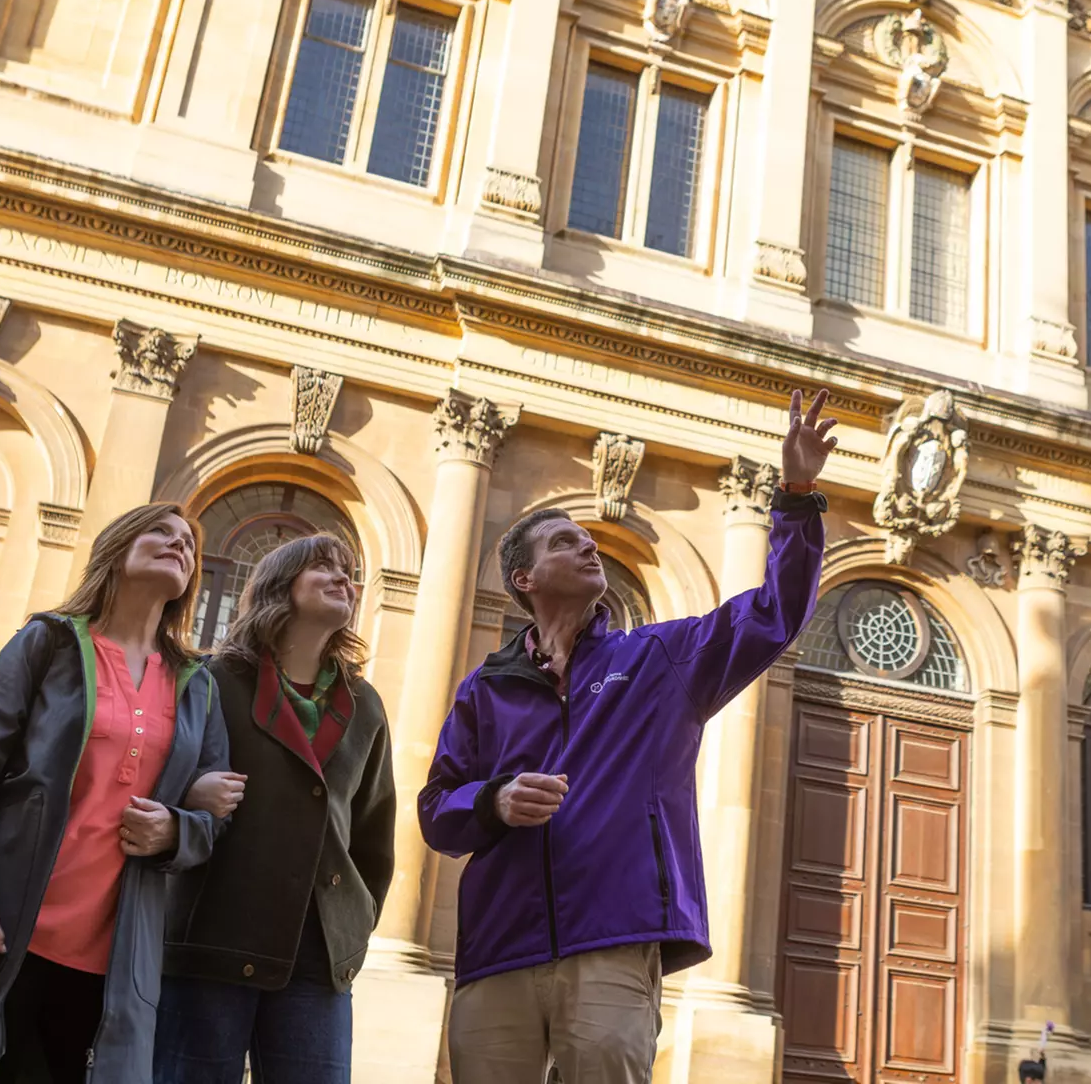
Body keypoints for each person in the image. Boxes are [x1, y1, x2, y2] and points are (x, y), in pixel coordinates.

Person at [420, 387, 837, 1084]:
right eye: (564, 543)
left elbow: (776, 612)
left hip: (613, 939)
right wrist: (492, 802)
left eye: (589, 542)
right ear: (524, 578)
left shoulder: (659, 660)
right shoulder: (483, 689)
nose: (587, 547)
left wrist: (795, 495)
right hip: (497, 945)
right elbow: (438, 812)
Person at [0, 502, 231, 1084]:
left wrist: (176, 831)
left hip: (108, 967)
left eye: (189, 543)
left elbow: (213, 822)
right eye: (159, 531)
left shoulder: (197, 686)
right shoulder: (49, 643)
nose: (178, 544)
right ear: (117, 547)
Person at [154, 531, 395, 1084]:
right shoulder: (212, 680)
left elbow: (373, 834)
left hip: (318, 957)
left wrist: (352, 924)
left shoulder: (365, 705)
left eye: (348, 572)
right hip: (212, 940)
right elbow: (153, 781)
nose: (344, 579)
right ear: (279, 587)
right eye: (324, 568)